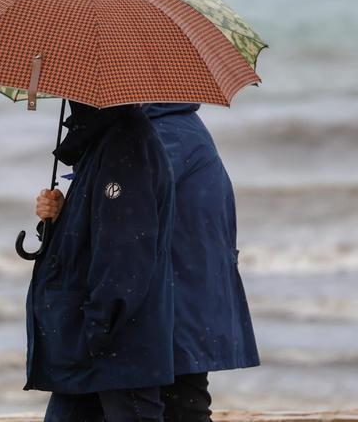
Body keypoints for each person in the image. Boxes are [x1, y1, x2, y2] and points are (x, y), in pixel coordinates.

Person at [37, 103, 260, 421]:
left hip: (165, 301)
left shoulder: (151, 137)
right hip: (179, 297)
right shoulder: (174, 128)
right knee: (182, 406)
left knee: (179, 407)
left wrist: (69, 211)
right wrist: (67, 209)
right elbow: (114, 200)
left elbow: (121, 203)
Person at [26, 101, 175, 422]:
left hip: (117, 343)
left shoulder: (127, 142)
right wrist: (58, 217)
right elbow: (95, 232)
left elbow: (125, 251)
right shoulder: (103, 138)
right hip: (92, 338)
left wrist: (98, 326)